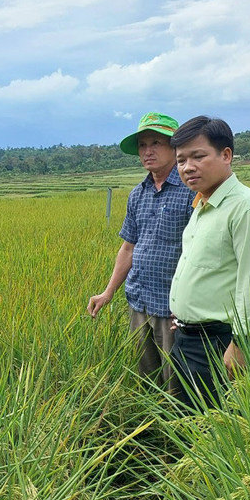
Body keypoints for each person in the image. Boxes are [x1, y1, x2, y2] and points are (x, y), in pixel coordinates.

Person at [167, 115, 250, 411]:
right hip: (186, 337)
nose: (188, 167)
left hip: (219, 345)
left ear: (226, 155)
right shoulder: (203, 204)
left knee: (210, 429)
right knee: (185, 421)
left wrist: (241, 346)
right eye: (181, 160)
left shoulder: (247, 208)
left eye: (198, 156)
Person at [88, 112, 195, 386]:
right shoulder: (138, 193)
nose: (148, 151)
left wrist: (190, 305)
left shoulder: (191, 191)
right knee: (146, 380)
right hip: (140, 301)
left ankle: (179, 428)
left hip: (175, 308)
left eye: (156, 143)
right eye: (142, 145)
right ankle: (148, 428)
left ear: (175, 147)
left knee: (178, 382)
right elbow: (128, 247)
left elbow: (202, 252)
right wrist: (108, 291)